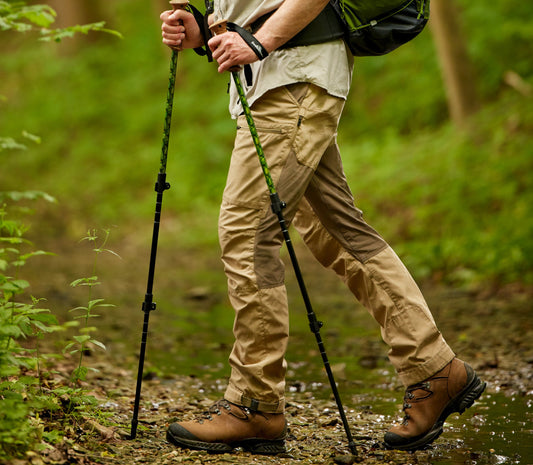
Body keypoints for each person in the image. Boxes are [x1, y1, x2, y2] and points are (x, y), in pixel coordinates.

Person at [160, 0, 486, 455]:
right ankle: (433, 370)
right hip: (279, 78)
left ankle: (255, 403)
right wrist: (202, 26)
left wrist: (260, 39)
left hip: (293, 74)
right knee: (337, 232)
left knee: (248, 232)